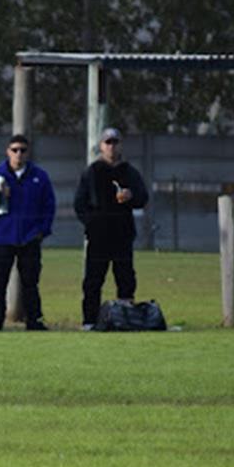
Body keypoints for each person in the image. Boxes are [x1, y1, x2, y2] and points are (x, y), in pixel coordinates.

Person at [0, 135, 55, 331]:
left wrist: (42, 231)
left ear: (28, 152)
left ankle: (34, 319)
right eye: (15, 150)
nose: (19, 154)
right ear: (7, 151)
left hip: (29, 237)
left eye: (23, 150)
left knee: (31, 281)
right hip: (3, 237)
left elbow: (49, 205)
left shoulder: (39, 176)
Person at [73, 127, 149, 330]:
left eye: (115, 142)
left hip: (122, 235)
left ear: (120, 145)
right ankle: (89, 320)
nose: (111, 147)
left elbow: (143, 198)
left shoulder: (129, 172)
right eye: (108, 143)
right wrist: (92, 223)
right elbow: (79, 203)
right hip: (98, 236)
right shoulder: (92, 171)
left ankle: (126, 317)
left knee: (125, 278)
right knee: (93, 280)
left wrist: (131, 196)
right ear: (101, 146)